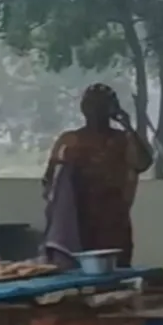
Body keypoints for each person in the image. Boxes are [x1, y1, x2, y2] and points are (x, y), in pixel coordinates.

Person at [43, 84, 154, 267]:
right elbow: (51, 184)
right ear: (83, 108)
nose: (95, 110)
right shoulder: (70, 141)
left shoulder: (123, 140)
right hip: (78, 224)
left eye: (102, 105)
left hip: (113, 224)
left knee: (115, 278)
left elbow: (143, 163)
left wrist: (128, 126)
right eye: (92, 104)